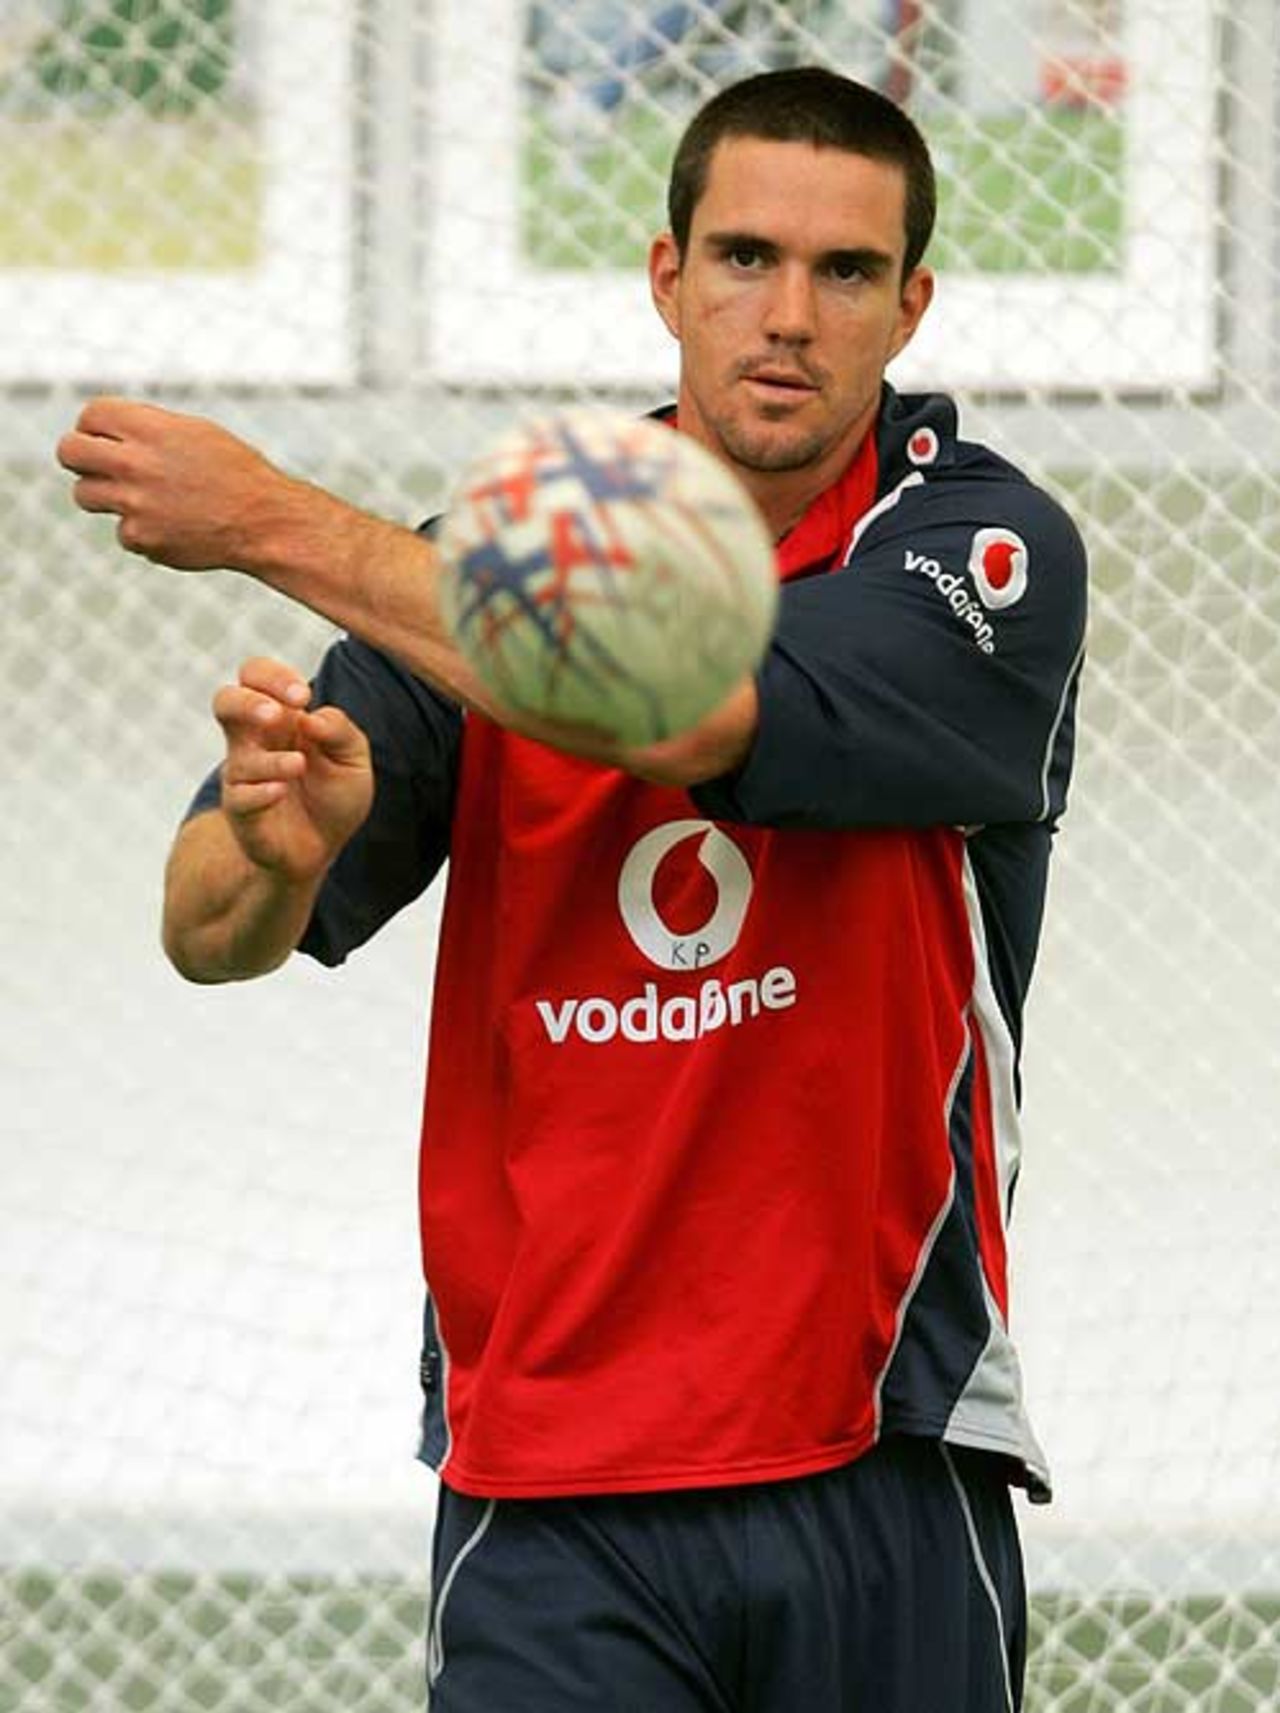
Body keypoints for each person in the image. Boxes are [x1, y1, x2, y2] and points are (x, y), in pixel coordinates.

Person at [58, 65, 1087, 1713]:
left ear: (914, 306)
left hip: (878, 1450)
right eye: (744, 256)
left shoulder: (972, 553)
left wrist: (265, 518)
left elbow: (680, 696)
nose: (788, 314)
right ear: (667, 277)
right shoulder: (487, 554)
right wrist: (275, 847)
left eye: (843, 274)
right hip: (551, 1481)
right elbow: (204, 934)